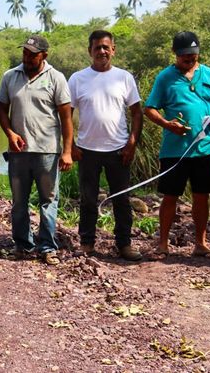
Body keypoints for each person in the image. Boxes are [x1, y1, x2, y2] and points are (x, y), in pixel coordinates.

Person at [144, 31, 210, 259]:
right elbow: (149, 108)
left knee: (202, 196)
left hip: (207, 147)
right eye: (184, 57)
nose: (189, 60)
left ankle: (200, 244)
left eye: (193, 56)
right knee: (170, 196)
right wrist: (167, 124)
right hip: (175, 150)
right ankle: (162, 244)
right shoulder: (165, 77)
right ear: (175, 54)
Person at [0, 35, 73, 266]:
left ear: (44, 56)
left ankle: (47, 247)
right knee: (19, 202)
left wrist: (67, 151)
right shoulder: (10, 76)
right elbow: (2, 110)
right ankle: (22, 245)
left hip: (47, 152)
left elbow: (66, 117)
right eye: (25, 53)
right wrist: (10, 134)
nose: (28, 57)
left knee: (48, 201)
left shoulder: (56, 78)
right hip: (19, 153)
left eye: (33, 54)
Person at [68, 31, 143, 261]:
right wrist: (70, 145)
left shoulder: (124, 78)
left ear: (113, 49)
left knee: (121, 199)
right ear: (90, 51)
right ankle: (87, 243)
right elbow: (66, 114)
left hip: (118, 149)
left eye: (106, 47)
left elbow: (137, 112)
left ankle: (124, 245)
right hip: (87, 149)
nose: (102, 51)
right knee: (88, 198)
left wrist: (132, 143)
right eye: (97, 47)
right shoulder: (77, 79)